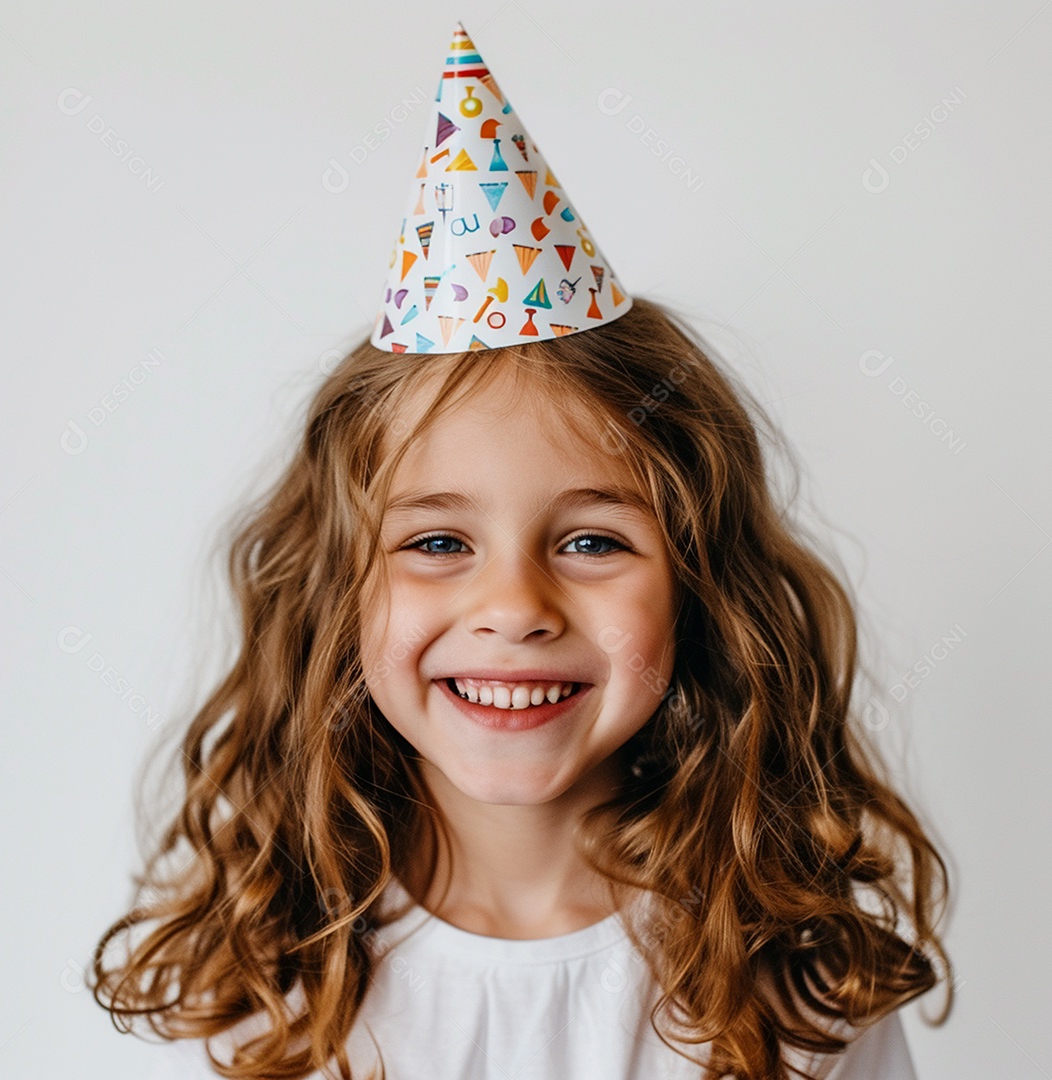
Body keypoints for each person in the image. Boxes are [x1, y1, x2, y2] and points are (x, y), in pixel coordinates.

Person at [90, 21, 952, 1080]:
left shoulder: (796, 991)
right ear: (334, 594)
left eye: (592, 540)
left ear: (701, 588)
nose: (514, 604)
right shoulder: (268, 987)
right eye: (440, 540)